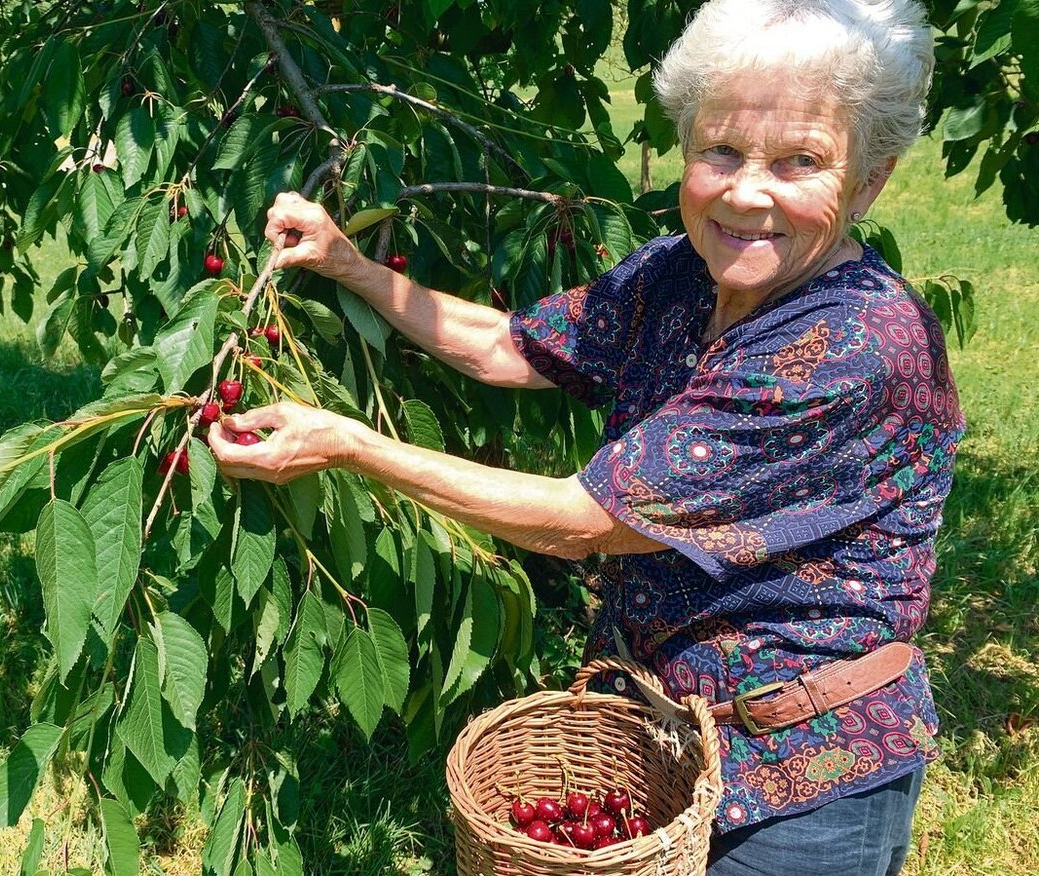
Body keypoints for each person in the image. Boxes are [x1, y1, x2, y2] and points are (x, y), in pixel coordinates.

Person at [206, 0, 961, 872]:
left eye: (800, 162)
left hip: (803, 775)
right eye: (720, 150)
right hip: (661, 739)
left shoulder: (850, 348)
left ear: (869, 181)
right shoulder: (681, 271)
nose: (747, 192)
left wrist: (352, 446)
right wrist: (349, 263)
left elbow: (578, 520)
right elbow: (510, 348)